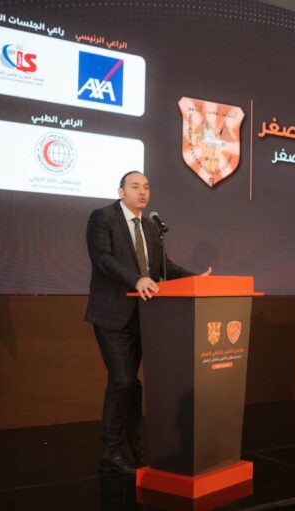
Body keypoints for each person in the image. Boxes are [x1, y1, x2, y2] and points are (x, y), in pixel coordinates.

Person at [85, 170, 211, 474]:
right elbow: (102, 259)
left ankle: (130, 445)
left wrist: (196, 279)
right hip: (112, 314)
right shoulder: (102, 218)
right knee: (124, 381)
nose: (142, 192)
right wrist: (136, 279)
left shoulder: (152, 227)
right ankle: (113, 450)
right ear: (121, 192)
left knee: (126, 384)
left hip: (145, 316)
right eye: (135, 186)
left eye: (146, 187)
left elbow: (164, 266)